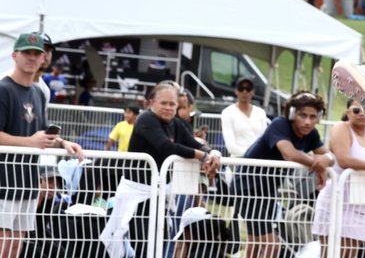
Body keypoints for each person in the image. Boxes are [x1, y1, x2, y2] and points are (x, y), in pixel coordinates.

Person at [0, 33, 85, 258]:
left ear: (43, 58)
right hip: (1, 181)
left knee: (15, 246)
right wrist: (31, 142)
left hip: (27, 181)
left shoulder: (38, 91)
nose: (32, 57)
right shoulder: (0, 90)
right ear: (14, 55)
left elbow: (42, 134)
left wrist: (65, 143)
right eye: (27, 52)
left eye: (37, 53)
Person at [129, 82, 222, 257]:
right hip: (137, 195)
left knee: (161, 242)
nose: (168, 108)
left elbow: (193, 144)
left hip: (161, 193)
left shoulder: (176, 124)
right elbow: (166, 147)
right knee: (139, 243)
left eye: (172, 104)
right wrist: (202, 156)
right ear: (151, 103)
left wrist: (212, 155)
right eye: (163, 103)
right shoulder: (146, 119)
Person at [238, 91, 333, 258]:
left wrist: (326, 159)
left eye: (313, 117)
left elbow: (329, 156)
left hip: (268, 190)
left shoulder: (311, 134)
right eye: (302, 115)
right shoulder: (279, 124)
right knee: (271, 245)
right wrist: (317, 163)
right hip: (248, 187)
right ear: (291, 113)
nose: (308, 122)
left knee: (254, 243)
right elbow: (289, 153)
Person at [313, 98, 365, 258]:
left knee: (350, 253)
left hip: (362, 198)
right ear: (348, 112)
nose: (362, 114)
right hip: (337, 197)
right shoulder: (341, 128)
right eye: (356, 110)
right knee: (329, 252)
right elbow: (345, 160)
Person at [220, 76, 269, 158]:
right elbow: (230, 146)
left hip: (258, 163)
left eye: (248, 89)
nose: (245, 92)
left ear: (253, 92)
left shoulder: (261, 113)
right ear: (236, 91)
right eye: (241, 88)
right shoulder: (227, 112)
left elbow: (264, 139)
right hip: (238, 162)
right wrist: (251, 155)